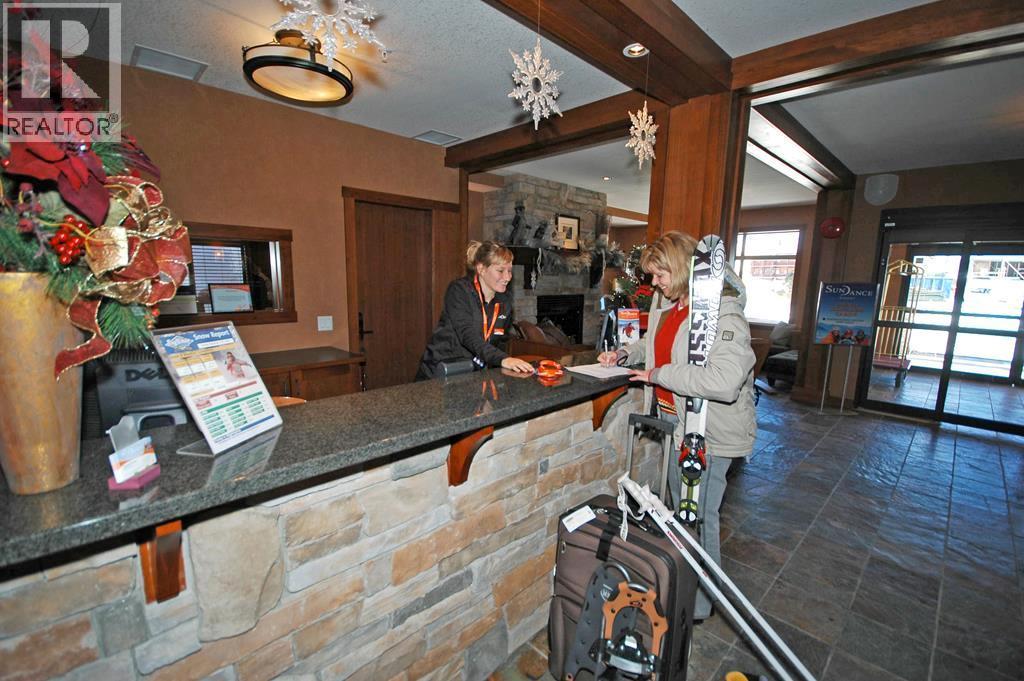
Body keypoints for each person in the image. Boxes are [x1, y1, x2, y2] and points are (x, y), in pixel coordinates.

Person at [597, 231, 756, 621]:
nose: (654, 283)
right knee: (680, 514)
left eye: (660, 274)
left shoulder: (723, 311)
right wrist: (625, 353)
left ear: (683, 268)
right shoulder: (667, 301)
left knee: (700, 518)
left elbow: (723, 381)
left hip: (710, 433)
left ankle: (700, 605)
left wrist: (658, 375)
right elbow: (656, 343)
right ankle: (681, 589)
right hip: (676, 423)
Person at [416, 240, 535, 380]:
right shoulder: (459, 290)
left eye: (509, 270)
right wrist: (503, 359)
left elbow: (500, 339)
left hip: (475, 373)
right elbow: (467, 334)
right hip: (442, 371)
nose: (507, 277)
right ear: (481, 269)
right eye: (500, 271)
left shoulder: (505, 301)